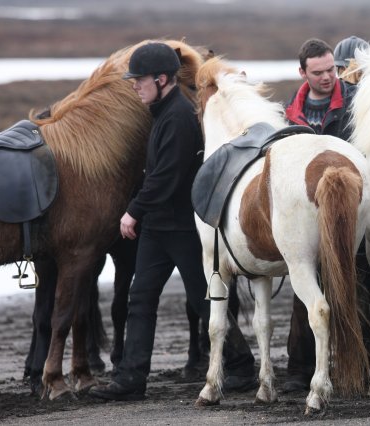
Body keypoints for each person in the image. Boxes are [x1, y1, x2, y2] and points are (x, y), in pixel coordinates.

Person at [89, 42, 256, 401]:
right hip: (159, 227)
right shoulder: (162, 113)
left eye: (140, 80)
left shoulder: (178, 116)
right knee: (141, 296)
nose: (134, 86)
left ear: (161, 79)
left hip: (182, 227)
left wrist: (133, 210)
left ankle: (241, 365)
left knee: (203, 299)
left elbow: (166, 177)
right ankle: (132, 379)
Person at [282, 37, 370, 393]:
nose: (327, 78)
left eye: (331, 70)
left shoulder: (356, 103)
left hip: (352, 206)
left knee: (358, 284)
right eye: (318, 72)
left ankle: (363, 365)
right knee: (303, 287)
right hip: (307, 210)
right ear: (302, 72)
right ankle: (299, 369)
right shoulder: (291, 111)